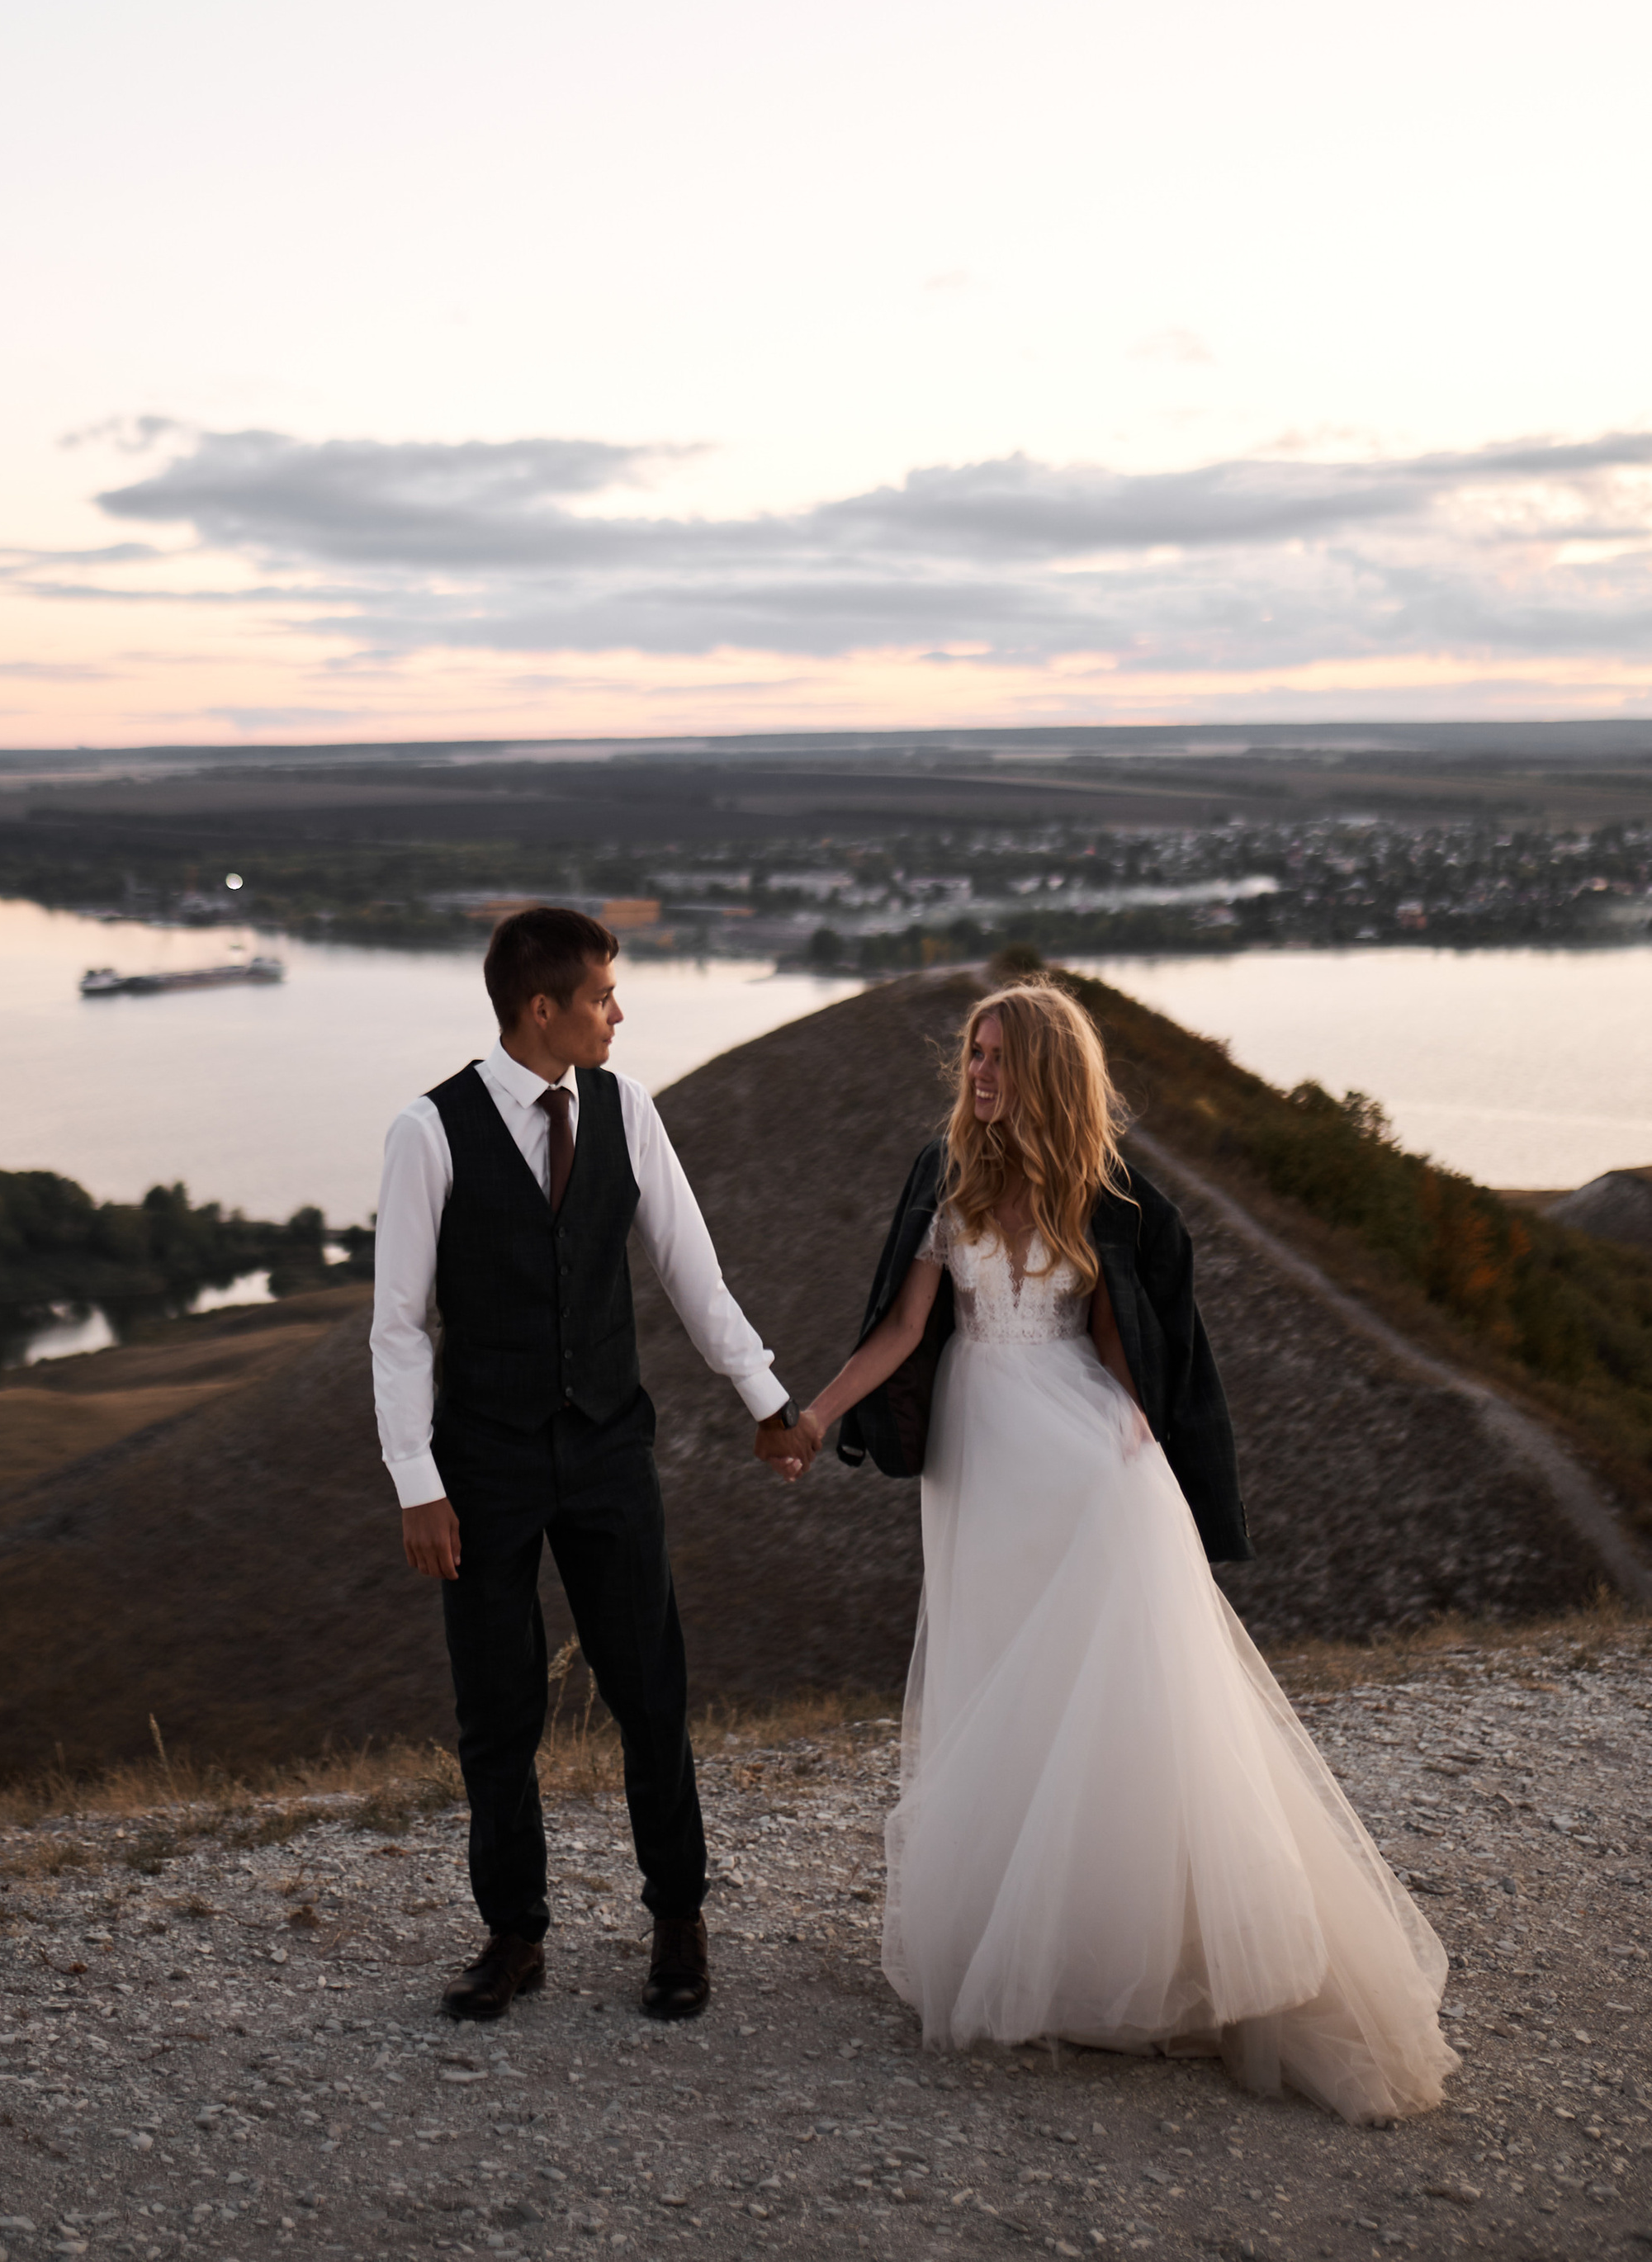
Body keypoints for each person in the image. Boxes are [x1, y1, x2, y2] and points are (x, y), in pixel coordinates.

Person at [782, 977, 1457, 2124]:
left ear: (1044, 1068)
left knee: (1112, 1695)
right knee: (999, 1674)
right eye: (972, 1055)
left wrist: (1144, 1438)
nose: (977, 1073)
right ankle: (1023, 1931)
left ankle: (1130, 1951)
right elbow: (901, 1328)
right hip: (978, 1453)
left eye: (997, 1057)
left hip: (1077, 1450)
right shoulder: (944, 1179)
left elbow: (1130, 1343)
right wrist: (811, 1414)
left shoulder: (1114, 1198)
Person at [372, 905, 808, 2023]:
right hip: (484, 1465)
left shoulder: (626, 1110)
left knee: (649, 1689)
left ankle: (678, 1919)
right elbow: (400, 1326)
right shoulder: (429, 1131)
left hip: (610, 1448)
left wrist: (768, 1399)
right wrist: (416, 1476)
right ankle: (515, 1936)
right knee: (497, 1707)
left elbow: (691, 1272)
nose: (619, 1011)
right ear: (541, 1009)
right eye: (603, 994)